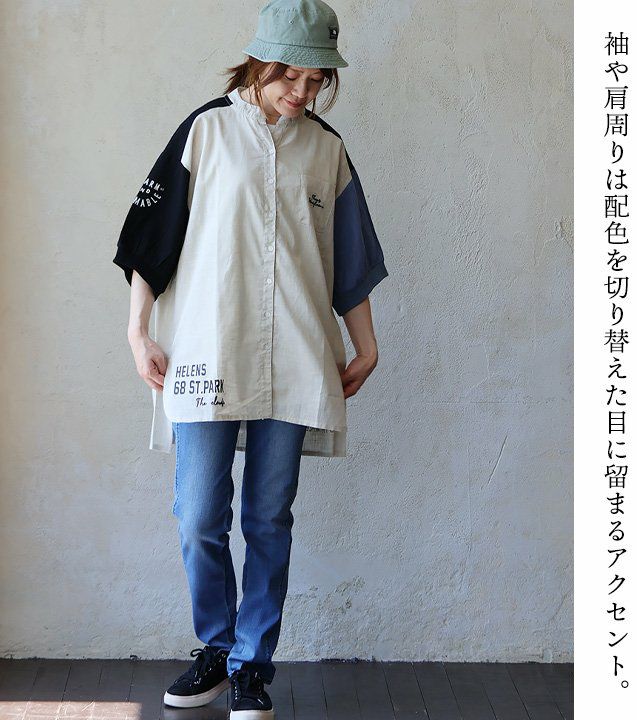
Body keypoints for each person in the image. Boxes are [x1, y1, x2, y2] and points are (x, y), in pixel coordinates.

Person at [112, 1, 388, 718]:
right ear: (259, 63)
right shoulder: (204, 132)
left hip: (297, 354)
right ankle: (215, 646)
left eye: (316, 80)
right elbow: (149, 242)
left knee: (269, 516)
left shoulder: (326, 150)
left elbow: (348, 260)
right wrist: (138, 332)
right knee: (199, 513)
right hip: (207, 350)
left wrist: (366, 342)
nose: (301, 91)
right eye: (290, 75)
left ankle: (251, 665)